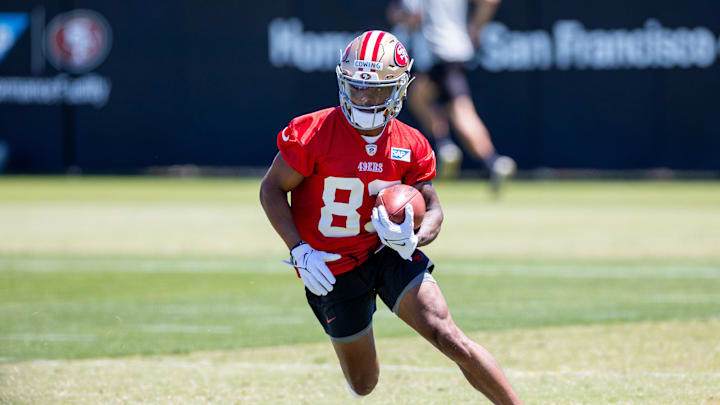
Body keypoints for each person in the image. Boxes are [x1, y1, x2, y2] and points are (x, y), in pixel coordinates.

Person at [259, 31, 522, 404]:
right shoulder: (313, 132)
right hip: (329, 267)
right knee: (364, 383)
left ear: (399, 88)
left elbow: (433, 210)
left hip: (386, 251)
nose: (365, 98)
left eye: (378, 90)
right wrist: (299, 249)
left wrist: (413, 239)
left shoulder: (411, 142)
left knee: (447, 334)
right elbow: (271, 189)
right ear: (342, 82)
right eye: (357, 88)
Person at [388, 0, 516, 192]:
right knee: (420, 97)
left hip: (437, 52)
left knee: (459, 110)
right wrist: (476, 27)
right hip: (455, 50)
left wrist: (400, 17)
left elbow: (413, 16)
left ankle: (489, 159)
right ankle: (450, 146)